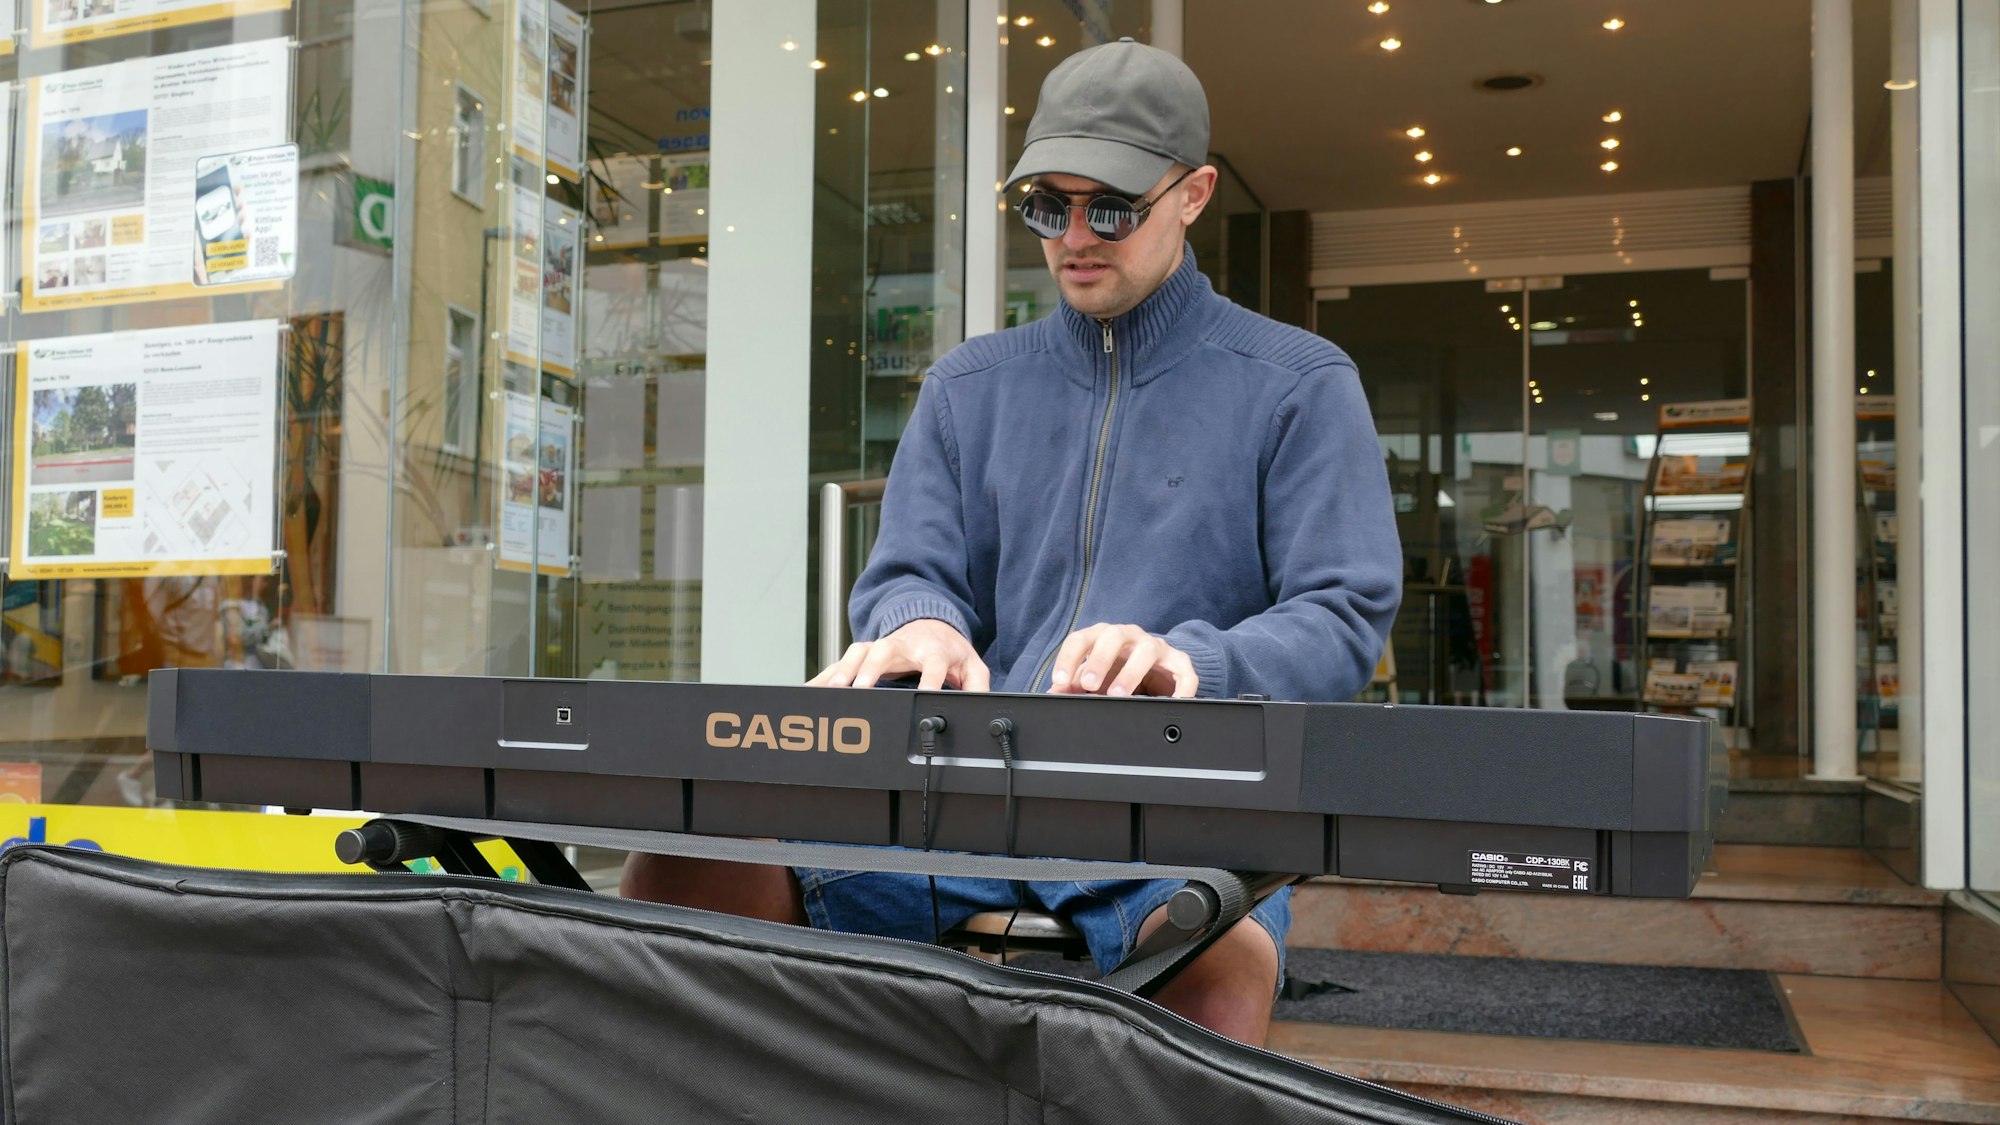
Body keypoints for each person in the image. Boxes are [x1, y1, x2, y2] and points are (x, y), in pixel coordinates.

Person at [623, 38, 1401, 1047]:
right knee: (677, 870)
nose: (1074, 237)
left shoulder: (1297, 382)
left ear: (1194, 192)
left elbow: (1340, 619)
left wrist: (1188, 660)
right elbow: (909, 572)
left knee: (1214, 976)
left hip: (1171, 815)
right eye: (1046, 206)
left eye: (1109, 208)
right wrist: (918, 626)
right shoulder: (967, 385)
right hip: (960, 799)